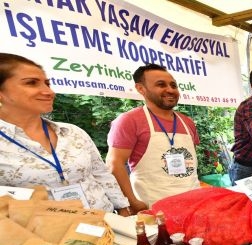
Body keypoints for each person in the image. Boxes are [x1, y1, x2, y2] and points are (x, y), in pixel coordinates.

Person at [0, 53, 129, 214]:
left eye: (47, 84)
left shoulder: (72, 132)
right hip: (47, 235)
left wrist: (123, 209)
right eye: (31, 83)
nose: (48, 92)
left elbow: (101, 174)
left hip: (107, 224)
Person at [106, 64, 200, 213]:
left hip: (194, 203)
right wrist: (132, 201)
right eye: (161, 84)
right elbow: (114, 163)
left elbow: (191, 163)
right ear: (141, 88)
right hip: (155, 208)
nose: (170, 90)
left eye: (173, 85)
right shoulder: (129, 120)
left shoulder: (187, 121)